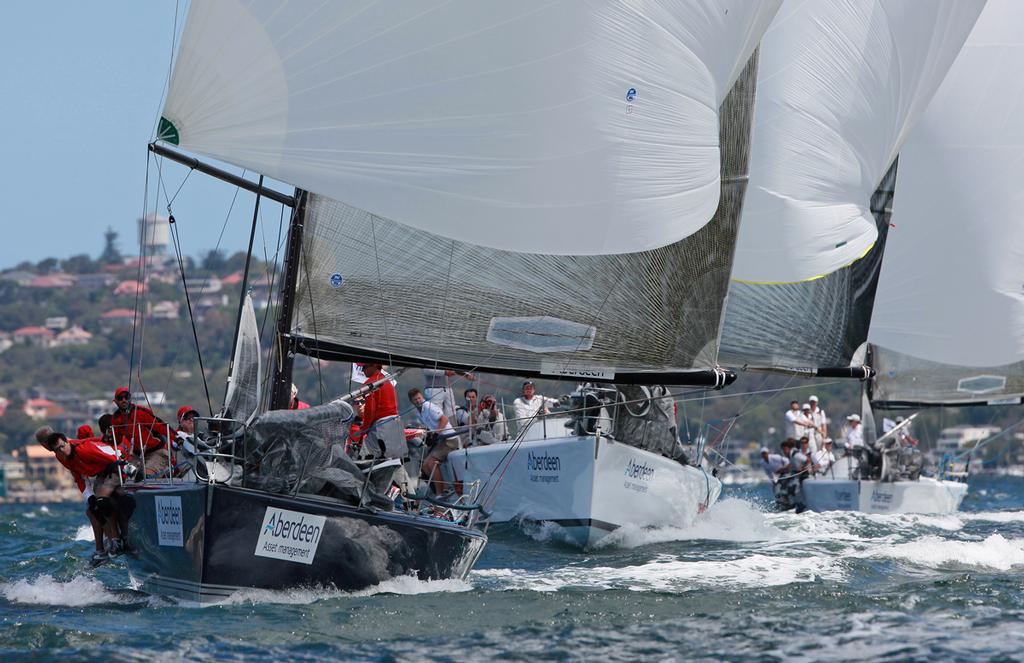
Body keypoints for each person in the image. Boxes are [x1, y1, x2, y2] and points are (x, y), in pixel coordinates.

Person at [38, 428, 132, 563]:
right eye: (56, 449)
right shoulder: (60, 454)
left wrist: (126, 467)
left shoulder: (78, 448)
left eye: (60, 447)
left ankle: (115, 541)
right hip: (100, 474)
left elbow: (108, 453)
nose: (58, 450)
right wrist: (89, 497)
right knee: (92, 509)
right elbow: (78, 476)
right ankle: (102, 549)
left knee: (102, 502)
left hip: (113, 467)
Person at [109, 386, 171, 477]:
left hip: (156, 451)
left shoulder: (142, 412)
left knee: (145, 476)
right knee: (121, 476)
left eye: (126, 397)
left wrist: (178, 439)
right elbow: (116, 441)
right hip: (136, 455)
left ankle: (166, 469)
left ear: (130, 398)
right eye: (120, 398)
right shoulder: (116, 419)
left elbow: (162, 427)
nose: (124, 400)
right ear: (115, 401)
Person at [408, 387, 460, 495]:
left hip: (449, 440)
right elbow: (429, 426)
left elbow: (444, 419)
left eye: (419, 398)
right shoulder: (419, 413)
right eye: (415, 400)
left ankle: (440, 493)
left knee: (430, 463)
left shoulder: (428, 406)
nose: (418, 401)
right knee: (424, 466)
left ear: (422, 397)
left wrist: (437, 432)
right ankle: (444, 488)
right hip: (441, 441)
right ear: (411, 402)